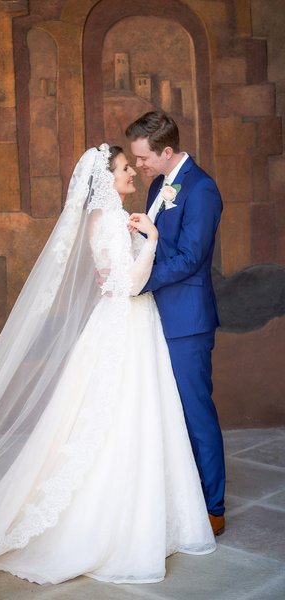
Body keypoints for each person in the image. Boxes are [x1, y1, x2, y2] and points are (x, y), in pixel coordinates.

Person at [0, 144, 215, 599]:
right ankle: (117, 522)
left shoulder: (107, 222)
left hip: (124, 327)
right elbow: (129, 283)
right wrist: (153, 240)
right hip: (127, 326)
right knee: (124, 419)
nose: (132, 175)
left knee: (121, 418)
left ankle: (140, 512)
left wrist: (142, 238)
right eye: (124, 169)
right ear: (106, 179)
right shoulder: (115, 223)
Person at [126, 111, 226, 536]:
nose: (139, 165)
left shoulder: (202, 189)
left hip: (187, 320)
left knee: (195, 411)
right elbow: (157, 244)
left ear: (167, 152)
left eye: (144, 158)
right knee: (166, 411)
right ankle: (179, 498)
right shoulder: (156, 185)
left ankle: (213, 508)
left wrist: (138, 283)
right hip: (154, 316)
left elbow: (190, 259)